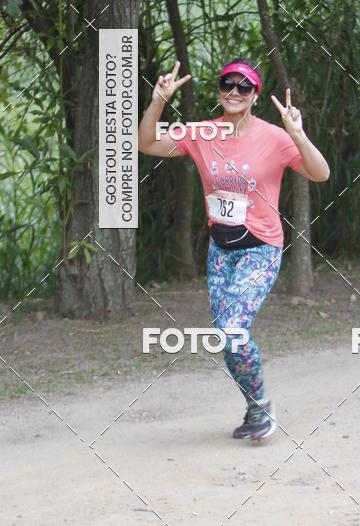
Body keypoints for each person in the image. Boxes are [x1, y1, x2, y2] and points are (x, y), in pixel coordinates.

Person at [138, 57, 330, 438]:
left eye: (244, 87)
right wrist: (158, 99)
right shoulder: (201, 133)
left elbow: (320, 173)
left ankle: (261, 409)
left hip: (261, 247)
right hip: (221, 251)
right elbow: (145, 143)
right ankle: (255, 409)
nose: (235, 92)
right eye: (228, 84)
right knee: (227, 337)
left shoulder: (275, 138)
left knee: (232, 328)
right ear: (220, 91)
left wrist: (298, 134)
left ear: (255, 95)